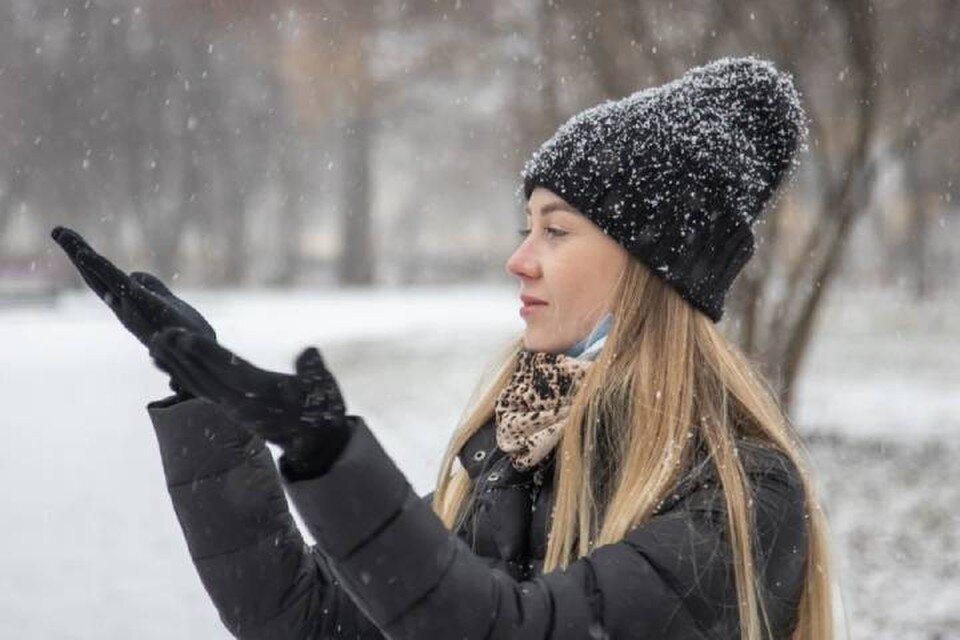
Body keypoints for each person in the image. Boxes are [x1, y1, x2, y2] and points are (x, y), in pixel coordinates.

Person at [51, 56, 834, 639]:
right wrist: (212, 414)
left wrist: (335, 461)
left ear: (652, 269)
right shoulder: (518, 456)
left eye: (556, 230)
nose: (520, 259)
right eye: (525, 226)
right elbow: (308, 621)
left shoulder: (739, 496)